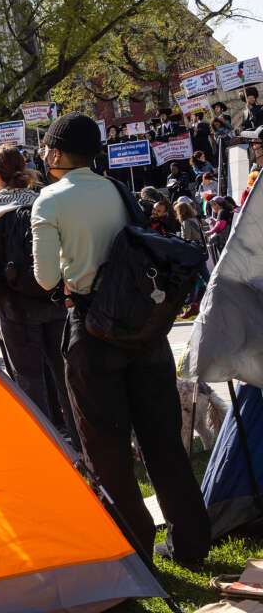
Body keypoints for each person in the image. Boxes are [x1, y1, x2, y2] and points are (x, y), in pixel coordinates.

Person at [30, 112, 210, 567]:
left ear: (55, 152)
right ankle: (191, 543)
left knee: (107, 451)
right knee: (163, 441)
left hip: (90, 329)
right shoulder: (118, 189)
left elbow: (46, 277)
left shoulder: (48, 201)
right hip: (141, 326)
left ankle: (135, 555)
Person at [0, 146, 74, 442]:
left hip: (14, 309)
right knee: (65, 377)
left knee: (29, 380)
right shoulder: (42, 202)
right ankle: (82, 442)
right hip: (52, 300)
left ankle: (48, 445)